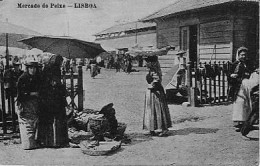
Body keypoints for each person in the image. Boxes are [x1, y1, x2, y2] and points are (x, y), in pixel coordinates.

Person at [38, 54, 69, 147]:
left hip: (51, 98)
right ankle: (56, 141)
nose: (61, 64)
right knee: (55, 119)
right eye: (60, 62)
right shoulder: (53, 69)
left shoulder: (50, 68)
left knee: (50, 119)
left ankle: (50, 140)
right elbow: (52, 83)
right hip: (52, 98)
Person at [143, 55, 172, 136]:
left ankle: (163, 129)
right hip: (151, 92)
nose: (146, 63)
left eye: (148, 62)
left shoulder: (155, 70)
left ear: (152, 63)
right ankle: (152, 128)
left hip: (156, 92)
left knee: (158, 109)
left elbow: (157, 80)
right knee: (151, 110)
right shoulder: (150, 70)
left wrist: (153, 85)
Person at [16, 61, 41, 150]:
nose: (33, 70)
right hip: (25, 103)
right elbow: (21, 94)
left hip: (33, 103)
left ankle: (32, 142)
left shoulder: (36, 77)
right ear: (27, 68)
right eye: (31, 68)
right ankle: (28, 144)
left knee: (33, 122)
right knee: (27, 123)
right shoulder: (23, 78)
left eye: (34, 68)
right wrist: (32, 94)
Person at [230, 47, 253, 132]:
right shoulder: (235, 64)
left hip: (247, 86)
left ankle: (246, 122)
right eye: (242, 55)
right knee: (239, 104)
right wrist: (232, 76)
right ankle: (238, 123)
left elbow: (251, 72)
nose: (243, 56)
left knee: (247, 103)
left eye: (245, 55)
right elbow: (230, 76)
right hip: (238, 87)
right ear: (238, 55)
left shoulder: (248, 64)